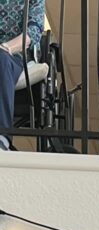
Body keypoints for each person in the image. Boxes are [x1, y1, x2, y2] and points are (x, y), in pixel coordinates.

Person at [0, 0, 44, 151]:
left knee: (1, 58)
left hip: (15, 55)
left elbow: (32, 33)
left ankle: (2, 137)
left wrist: (6, 47)